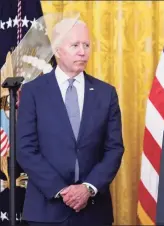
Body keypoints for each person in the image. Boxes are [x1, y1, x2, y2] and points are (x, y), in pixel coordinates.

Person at [16, 18, 124, 226]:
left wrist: (88, 188)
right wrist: (62, 191)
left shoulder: (106, 93)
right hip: (46, 212)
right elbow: (25, 149)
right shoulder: (33, 92)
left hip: (94, 213)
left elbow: (114, 149)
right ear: (57, 50)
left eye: (86, 45)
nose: (82, 52)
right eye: (75, 45)